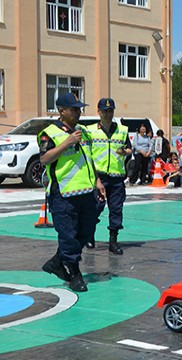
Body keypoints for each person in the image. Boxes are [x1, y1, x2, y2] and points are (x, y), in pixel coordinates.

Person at [39, 93, 106, 292]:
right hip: (64, 194)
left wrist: (98, 180)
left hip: (86, 191)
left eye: (79, 108)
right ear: (62, 111)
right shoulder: (49, 133)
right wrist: (66, 143)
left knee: (86, 232)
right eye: (74, 109)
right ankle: (74, 273)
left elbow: (89, 158)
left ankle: (57, 262)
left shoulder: (83, 131)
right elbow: (44, 159)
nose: (78, 112)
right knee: (68, 236)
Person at [85, 98, 131, 255]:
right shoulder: (90, 130)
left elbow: (130, 149)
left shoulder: (122, 130)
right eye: (104, 111)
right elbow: (87, 154)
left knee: (116, 210)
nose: (107, 114)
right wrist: (95, 178)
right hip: (98, 177)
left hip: (117, 177)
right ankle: (89, 235)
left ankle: (113, 241)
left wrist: (126, 152)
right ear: (98, 112)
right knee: (95, 208)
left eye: (110, 111)